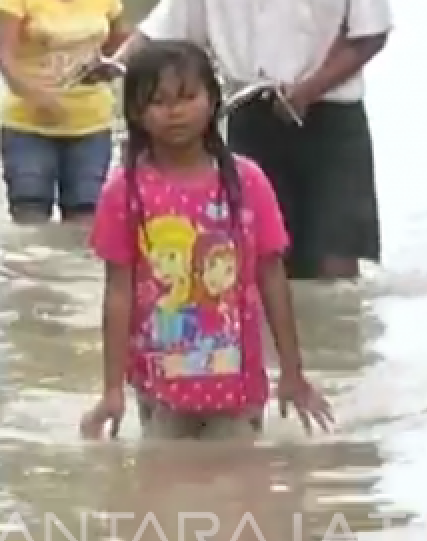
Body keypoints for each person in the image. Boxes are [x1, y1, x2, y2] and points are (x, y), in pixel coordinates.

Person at [106, 0, 393, 281]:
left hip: (331, 119)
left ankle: (336, 349)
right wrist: (114, 64)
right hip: (250, 118)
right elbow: (165, 30)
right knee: (260, 256)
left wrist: (305, 90)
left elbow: (369, 32)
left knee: (336, 261)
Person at [79, 41, 333, 441]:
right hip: (159, 389)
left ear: (213, 100)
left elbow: (272, 281)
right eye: (157, 101)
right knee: (165, 490)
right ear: (135, 113)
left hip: (239, 388)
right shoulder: (124, 193)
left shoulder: (249, 183)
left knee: (240, 488)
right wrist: (112, 391)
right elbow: (118, 294)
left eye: (187, 97)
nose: (174, 111)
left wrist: (293, 373)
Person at [0, 0, 131, 224]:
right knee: (30, 222)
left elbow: (120, 45)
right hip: (29, 125)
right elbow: (5, 56)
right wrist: (37, 95)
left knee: (86, 223)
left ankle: (72, 278)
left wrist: (112, 67)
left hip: (91, 124)